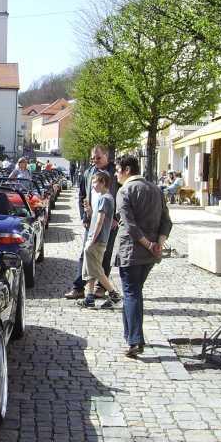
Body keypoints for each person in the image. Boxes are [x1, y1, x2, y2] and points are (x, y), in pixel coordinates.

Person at [115, 154, 172, 357]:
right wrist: (158, 244)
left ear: (127, 170)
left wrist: (148, 244)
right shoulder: (155, 189)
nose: (116, 174)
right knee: (134, 293)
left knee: (131, 293)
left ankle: (135, 340)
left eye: (118, 170)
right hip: (150, 254)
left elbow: (129, 225)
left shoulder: (125, 190)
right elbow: (167, 221)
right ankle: (130, 335)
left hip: (132, 251)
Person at [64, 145, 120, 302]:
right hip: (91, 220)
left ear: (107, 156)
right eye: (93, 158)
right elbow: (82, 195)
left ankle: (101, 288)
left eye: (98, 157)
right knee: (85, 253)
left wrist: (117, 217)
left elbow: (122, 197)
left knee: (105, 254)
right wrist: (84, 216)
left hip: (109, 222)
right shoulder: (88, 172)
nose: (95, 160)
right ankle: (79, 288)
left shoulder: (115, 172)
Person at [77, 171, 120, 309]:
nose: (93, 185)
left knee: (96, 269)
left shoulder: (105, 199)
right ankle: (89, 298)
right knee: (90, 268)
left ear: (103, 182)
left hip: (97, 240)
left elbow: (100, 222)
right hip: (97, 239)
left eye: (95, 182)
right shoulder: (104, 198)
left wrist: (92, 240)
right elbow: (97, 217)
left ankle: (114, 294)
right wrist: (89, 211)